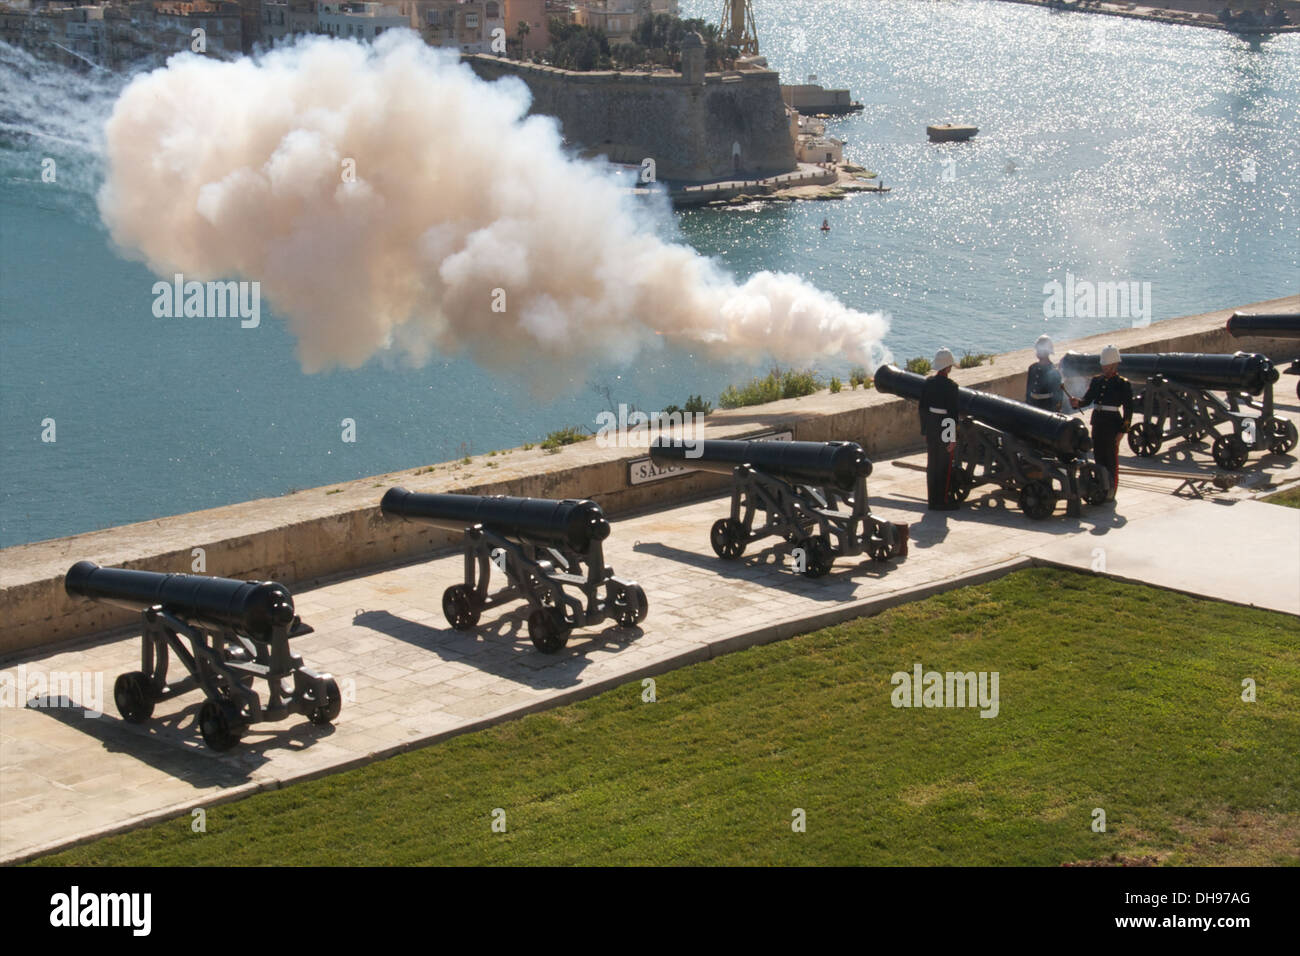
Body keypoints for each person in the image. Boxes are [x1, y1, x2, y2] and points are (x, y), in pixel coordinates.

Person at [1070, 344, 1134, 498]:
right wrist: (1077, 403)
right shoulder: (1097, 381)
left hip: (1113, 424)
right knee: (1098, 456)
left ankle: (1111, 490)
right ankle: (1099, 486)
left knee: (1111, 459)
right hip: (1098, 422)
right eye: (1104, 365)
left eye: (1108, 365)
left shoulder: (1122, 384)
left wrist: (1122, 431)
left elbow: (1128, 410)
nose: (1105, 368)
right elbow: (1088, 400)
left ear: (1114, 364)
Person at [921, 348, 961, 510]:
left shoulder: (928, 383)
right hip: (945, 425)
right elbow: (952, 414)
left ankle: (932, 500)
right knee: (944, 465)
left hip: (931, 425)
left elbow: (922, 408)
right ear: (948, 368)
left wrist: (925, 430)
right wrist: (952, 437)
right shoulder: (952, 387)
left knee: (932, 464)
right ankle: (941, 500)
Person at [1025, 334, 1065, 413]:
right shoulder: (1032, 368)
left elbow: (1058, 397)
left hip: (1046, 408)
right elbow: (1028, 391)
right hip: (1033, 406)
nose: (1038, 352)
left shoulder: (1054, 371)